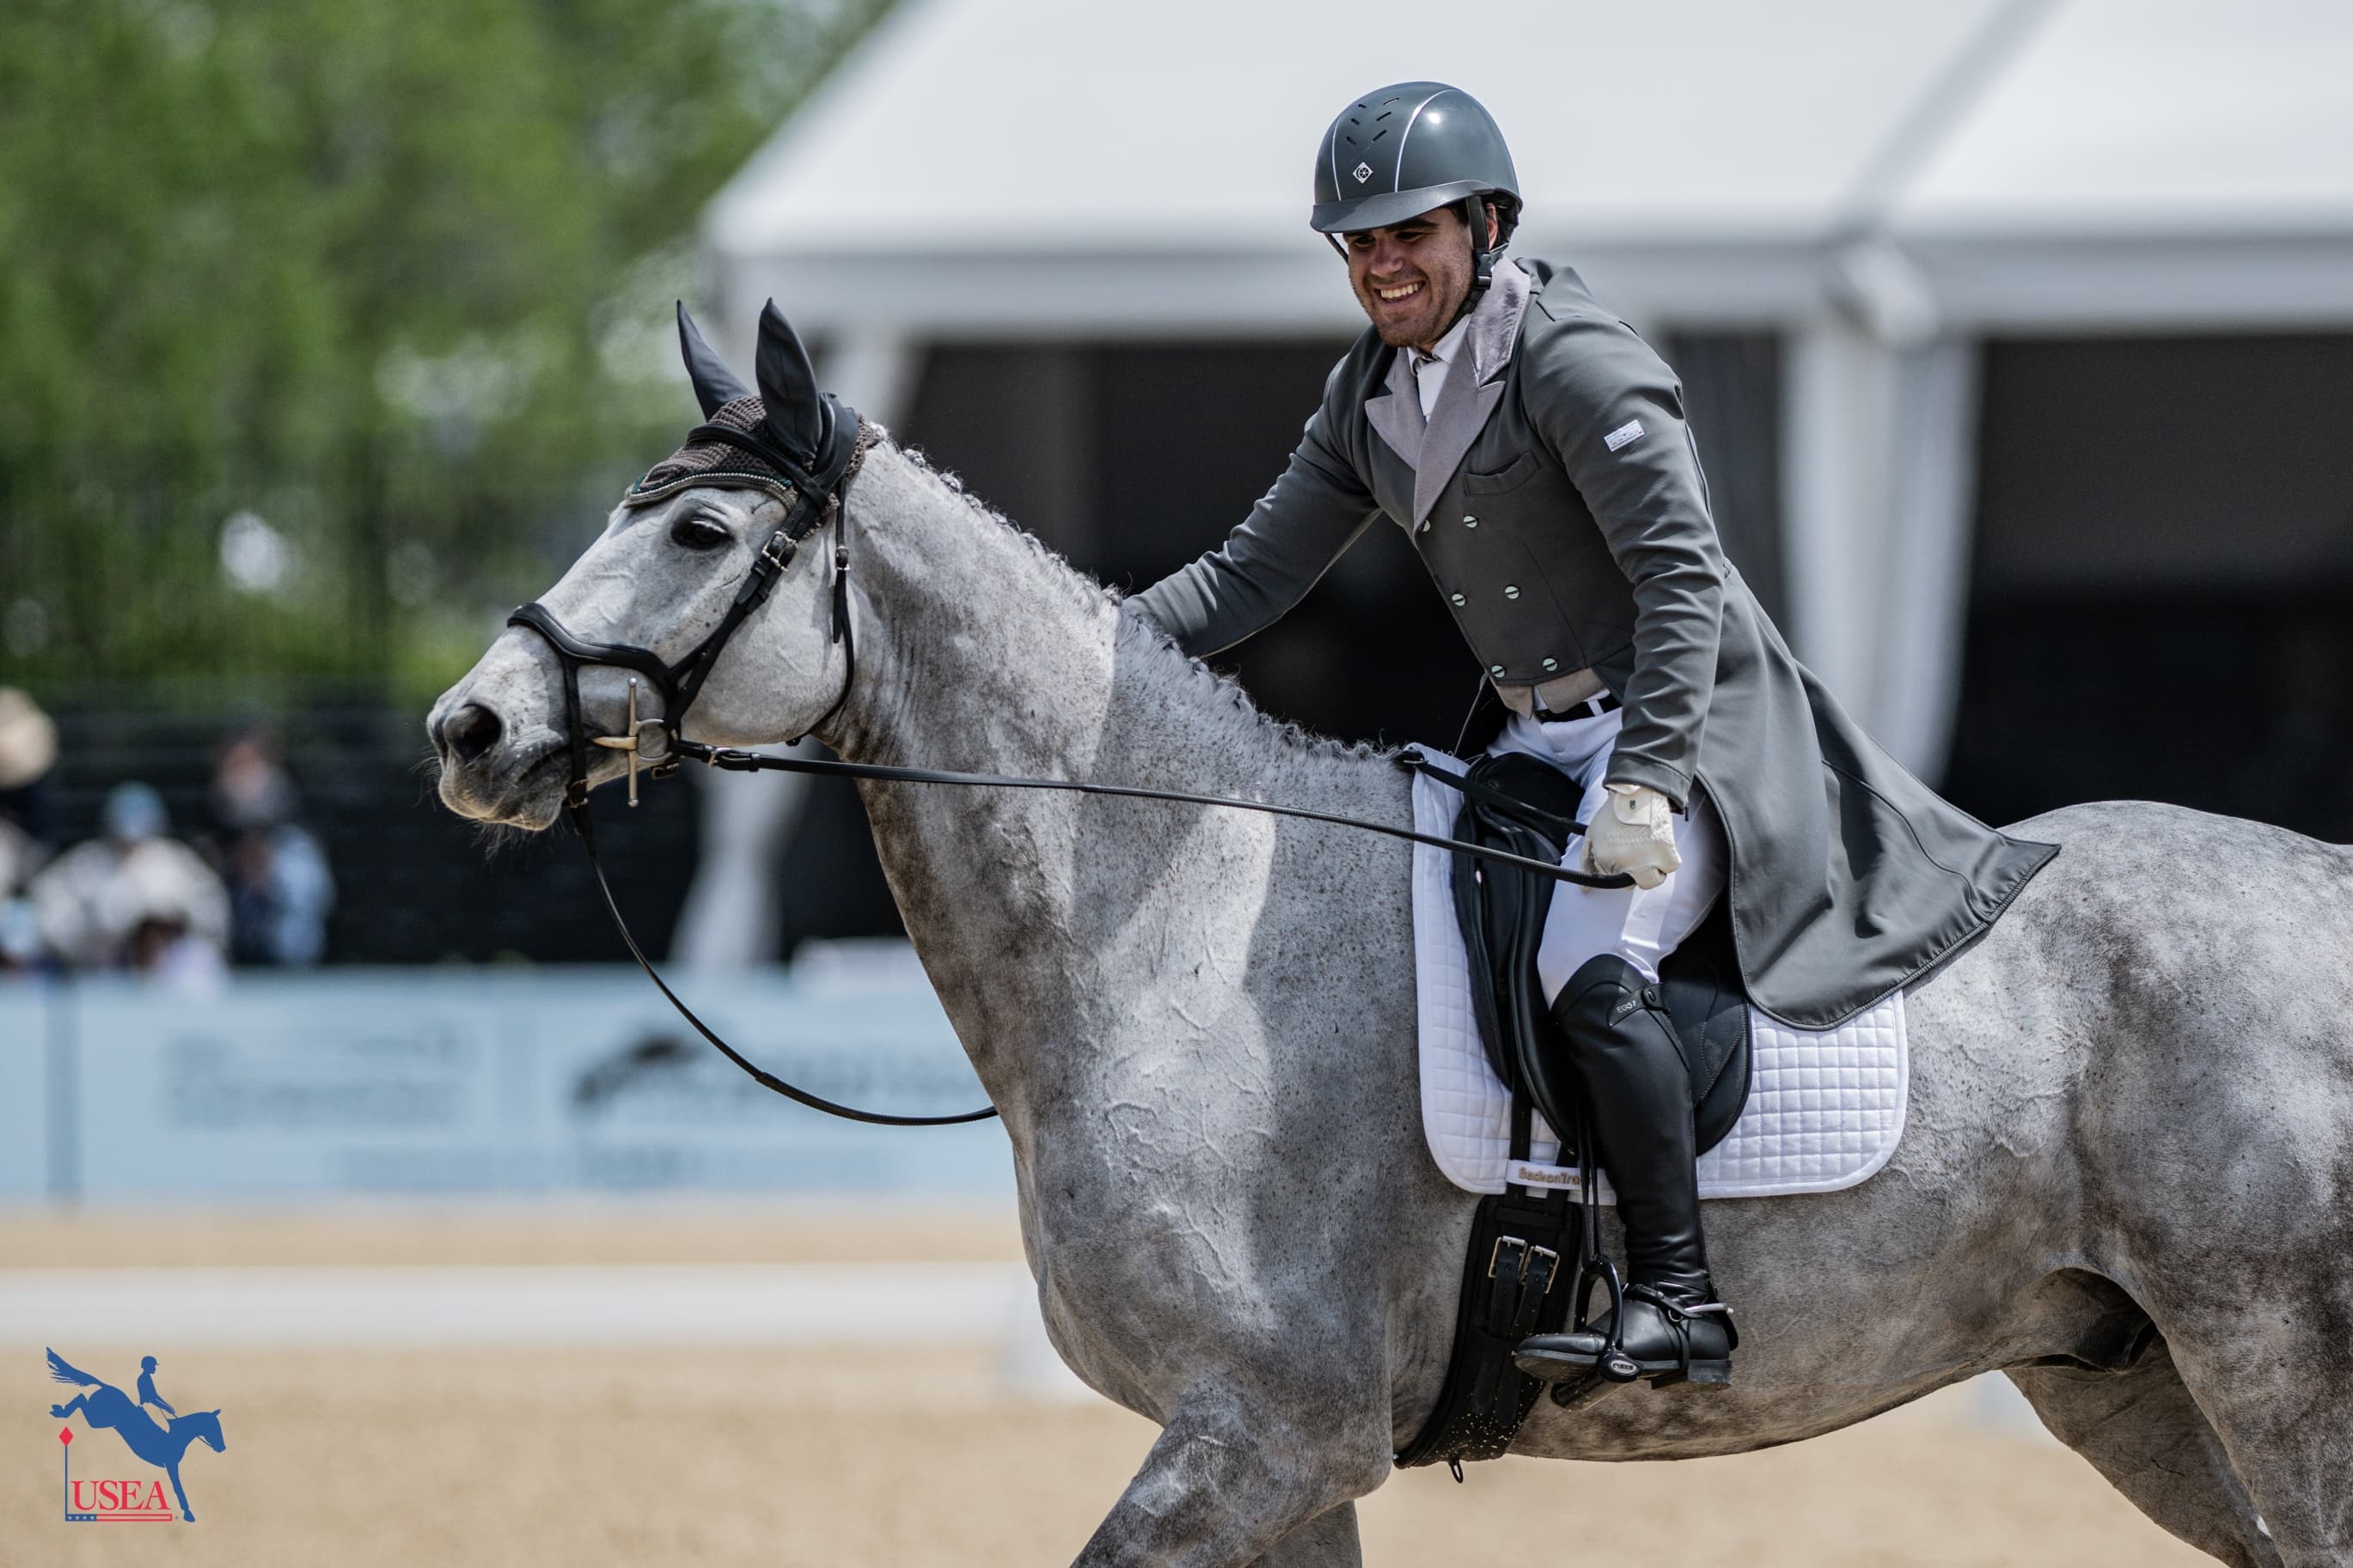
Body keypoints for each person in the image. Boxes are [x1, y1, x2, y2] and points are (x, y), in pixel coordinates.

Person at [1128, 82, 2055, 1386]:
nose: (1382, 263)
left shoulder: (1570, 355)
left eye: (1410, 234)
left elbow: (1683, 578)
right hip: (1531, 742)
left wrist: (1648, 787)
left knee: (1585, 965)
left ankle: (1680, 1298)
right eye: (1360, 242)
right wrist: (1092, 649)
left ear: (1486, 224)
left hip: (1691, 733)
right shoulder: (1368, 397)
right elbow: (1246, 577)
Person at [30, 781, 230, 986]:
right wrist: (84, 940)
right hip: (101, 972)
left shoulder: (176, 863)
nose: (130, 842)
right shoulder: (88, 863)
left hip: (172, 976)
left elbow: (211, 919)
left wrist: (169, 929)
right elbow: (47, 906)